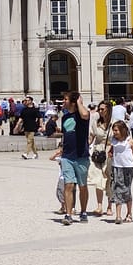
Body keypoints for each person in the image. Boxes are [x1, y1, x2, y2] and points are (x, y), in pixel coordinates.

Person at [59, 91, 91, 225]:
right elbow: (65, 134)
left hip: (81, 155)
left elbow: (84, 114)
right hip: (67, 156)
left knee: (83, 186)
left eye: (65, 99)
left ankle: (83, 212)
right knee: (68, 185)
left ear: (72, 101)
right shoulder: (64, 117)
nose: (63, 102)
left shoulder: (83, 115)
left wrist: (79, 101)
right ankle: (68, 214)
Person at [107, 121, 133, 224]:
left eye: (116, 130)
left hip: (127, 168)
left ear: (122, 130)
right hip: (116, 167)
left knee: (126, 190)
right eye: (114, 130)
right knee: (117, 190)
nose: (114, 132)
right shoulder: (114, 140)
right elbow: (111, 151)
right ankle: (118, 215)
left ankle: (129, 213)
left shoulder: (130, 141)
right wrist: (110, 154)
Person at [88, 102, 111, 217]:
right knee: (98, 179)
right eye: (99, 109)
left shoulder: (114, 122)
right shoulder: (96, 123)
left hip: (110, 153)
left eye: (102, 109)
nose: (100, 112)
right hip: (97, 153)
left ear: (108, 109)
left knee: (110, 179)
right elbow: (91, 138)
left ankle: (110, 206)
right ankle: (99, 205)